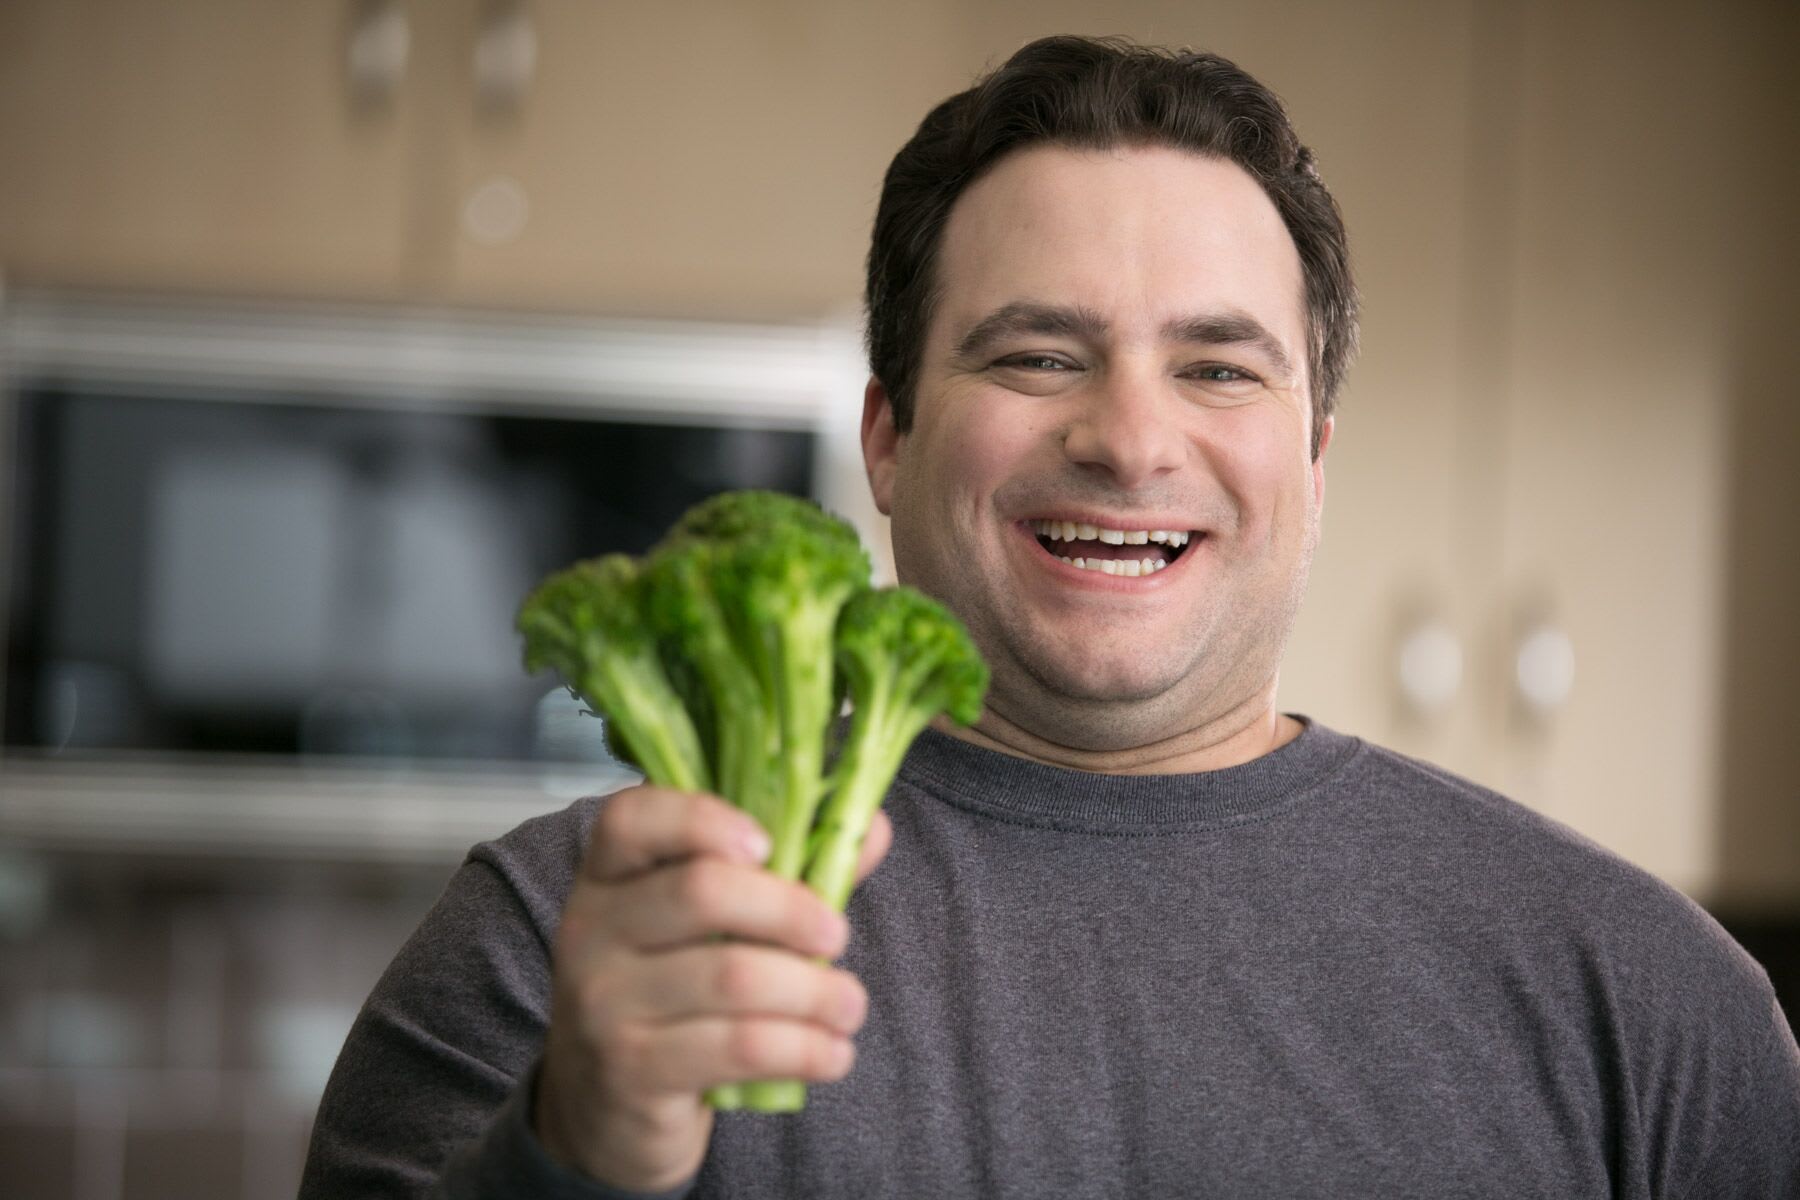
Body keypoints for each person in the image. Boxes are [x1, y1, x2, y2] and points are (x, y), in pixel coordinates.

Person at [299, 35, 1800, 1199]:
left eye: (1219, 368)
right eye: (1034, 355)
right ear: (888, 438)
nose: (1131, 439)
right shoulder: (571, 954)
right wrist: (573, 1157)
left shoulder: (1650, 1007)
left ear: (1317, 461)